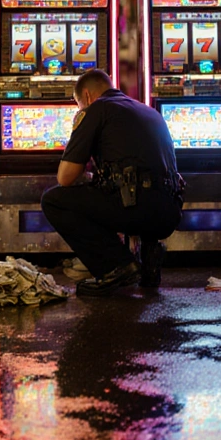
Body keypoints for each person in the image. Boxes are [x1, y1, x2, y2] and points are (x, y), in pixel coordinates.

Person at [41, 70, 183, 296]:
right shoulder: (148, 110)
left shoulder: (97, 109)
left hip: (134, 207)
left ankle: (116, 266)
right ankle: (149, 261)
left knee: (54, 200)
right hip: (169, 213)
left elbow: (65, 177)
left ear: (86, 96)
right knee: (127, 187)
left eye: (79, 105)